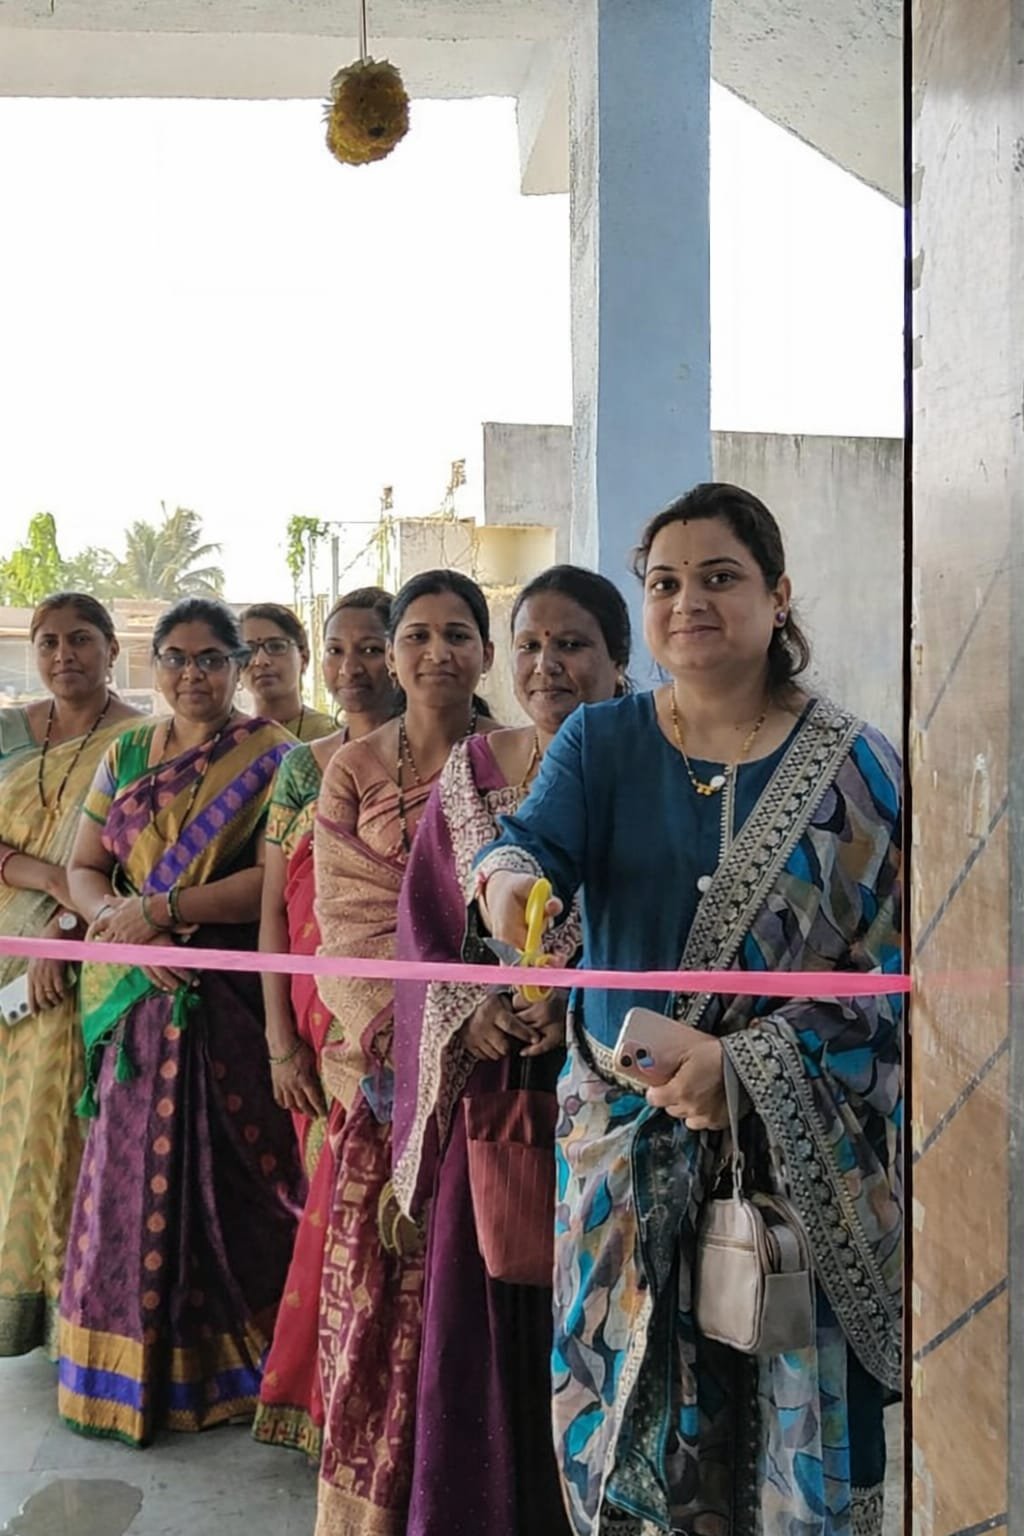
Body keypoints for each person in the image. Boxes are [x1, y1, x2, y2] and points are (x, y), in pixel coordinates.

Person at [473, 484, 903, 1536]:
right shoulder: (602, 741)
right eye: (664, 582)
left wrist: (743, 1069)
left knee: (790, 1427)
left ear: (778, 595)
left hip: (798, 1166)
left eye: (720, 578)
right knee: (633, 1431)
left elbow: (895, 979)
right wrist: (508, 886)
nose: (687, 602)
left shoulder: (857, 768)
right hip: (622, 1146)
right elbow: (524, 849)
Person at [393, 565, 631, 1536]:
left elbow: (674, 918)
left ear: (618, 659)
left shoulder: (651, 761)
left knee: (607, 1302)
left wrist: (575, 995)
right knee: (487, 1303)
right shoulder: (468, 775)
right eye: (530, 645)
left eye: (572, 644)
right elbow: (423, 931)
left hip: (618, 1078)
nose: (547, 665)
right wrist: (472, 1010)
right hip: (494, 1091)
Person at [59, 597, 305, 1446]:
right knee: (128, 1178)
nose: (192, 674)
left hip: (228, 997)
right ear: (154, 665)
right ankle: (124, 1374)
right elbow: (83, 869)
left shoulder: (276, 757)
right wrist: (123, 929)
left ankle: (246, 1370)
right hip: (137, 1001)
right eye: (176, 657)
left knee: (240, 1180)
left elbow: (273, 883)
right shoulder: (125, 754)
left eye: (210, 658)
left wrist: (163, 910)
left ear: (239, 666)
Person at [313, 570, 499, 1536]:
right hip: (384, 1069)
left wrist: (482, 1014)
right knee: (379, 1291)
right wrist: (415, 1025)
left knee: (474, 1282)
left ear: (487, 654)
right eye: (417, 635)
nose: (437, 653)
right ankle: (376, 1502)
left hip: (495, 1063)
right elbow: (343, 920)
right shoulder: (350, 769)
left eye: (457, 634)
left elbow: (524, 917)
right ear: (391, 653)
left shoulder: (515, 760)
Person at [253, 586, 398, 1459]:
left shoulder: (468, 751)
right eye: (337, 649)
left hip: (406, 1027)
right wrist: (280, 1041)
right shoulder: (303, 769)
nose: (352, 667)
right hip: (319, 1031)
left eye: (371, 647)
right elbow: (277, 910)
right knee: (334, 1217)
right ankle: (332, 1399)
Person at [0, 594, 139, 1358]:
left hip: (70, 966)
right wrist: (48, 878)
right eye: (49, 642)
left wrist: (64, 927)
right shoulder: (8, 732)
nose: (64, 656)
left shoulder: (140, 740)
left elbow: (135, 860)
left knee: (53, 1132)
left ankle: (62, 1316)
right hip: (7, 944)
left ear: (112, 648)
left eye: (81, 639)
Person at [240, 602, 336, 741]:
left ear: (304, 657)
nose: (260, 660)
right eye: (248, 650)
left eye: (276, 647)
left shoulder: (332, 736)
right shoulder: (230, 743)